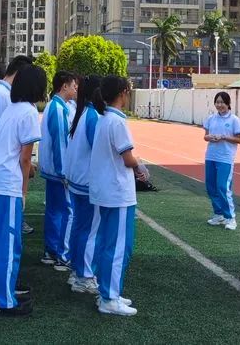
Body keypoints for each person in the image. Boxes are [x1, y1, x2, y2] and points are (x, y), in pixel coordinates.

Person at [0, 65, 46, 316]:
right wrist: (24, 193)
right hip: (6, 183)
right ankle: (4, 300)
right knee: (9, 243)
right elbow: (25, 160)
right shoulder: (28, 111)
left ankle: (2, 289)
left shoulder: (12, 108)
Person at [89, 75, 147, 316]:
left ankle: (108, 291)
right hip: (117, 192)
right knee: (119, 247)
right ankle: (109, 297)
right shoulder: (116, 122)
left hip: (105, 190)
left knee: (107, 243)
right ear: (123, 92)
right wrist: (140, 166)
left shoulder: (104, 119)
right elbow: (127, 157)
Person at [0, 56, 35, 243]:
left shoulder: (1, 93)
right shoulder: (4, 97)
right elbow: (15, 141)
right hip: (3, 171)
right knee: (3, 235)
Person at [63, 75, 102, 294]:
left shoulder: (82, 114)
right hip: (87, 183)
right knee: (89, 231)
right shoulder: (92, 116)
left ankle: (77, 272)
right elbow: (100, 149)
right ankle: (85, 276)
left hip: (77, 180)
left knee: (79, 228)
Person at [39, 71, 78, 270]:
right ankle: (62, 254)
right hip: (58, 170)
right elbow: (60, 142)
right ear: (64, 86)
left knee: (55, 211)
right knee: (66, 211)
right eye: (73, 86)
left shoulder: (55, 106)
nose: (75, 89)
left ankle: (51, 251)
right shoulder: (59, 109)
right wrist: (64, 172)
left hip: (52, 169)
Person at [203, 92, 240, 231]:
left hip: (225, 158)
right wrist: (211, 137)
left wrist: (224, 137)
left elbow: (239, 140)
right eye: (217, 102)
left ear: (228, 103)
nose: (219, 105)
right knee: (211, 187)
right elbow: (205, 136)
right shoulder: (211, 118)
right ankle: (218, 214)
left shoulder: (234, 120)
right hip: (211, 156)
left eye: (222, 102)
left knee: (223, 187)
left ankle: (230, 217)